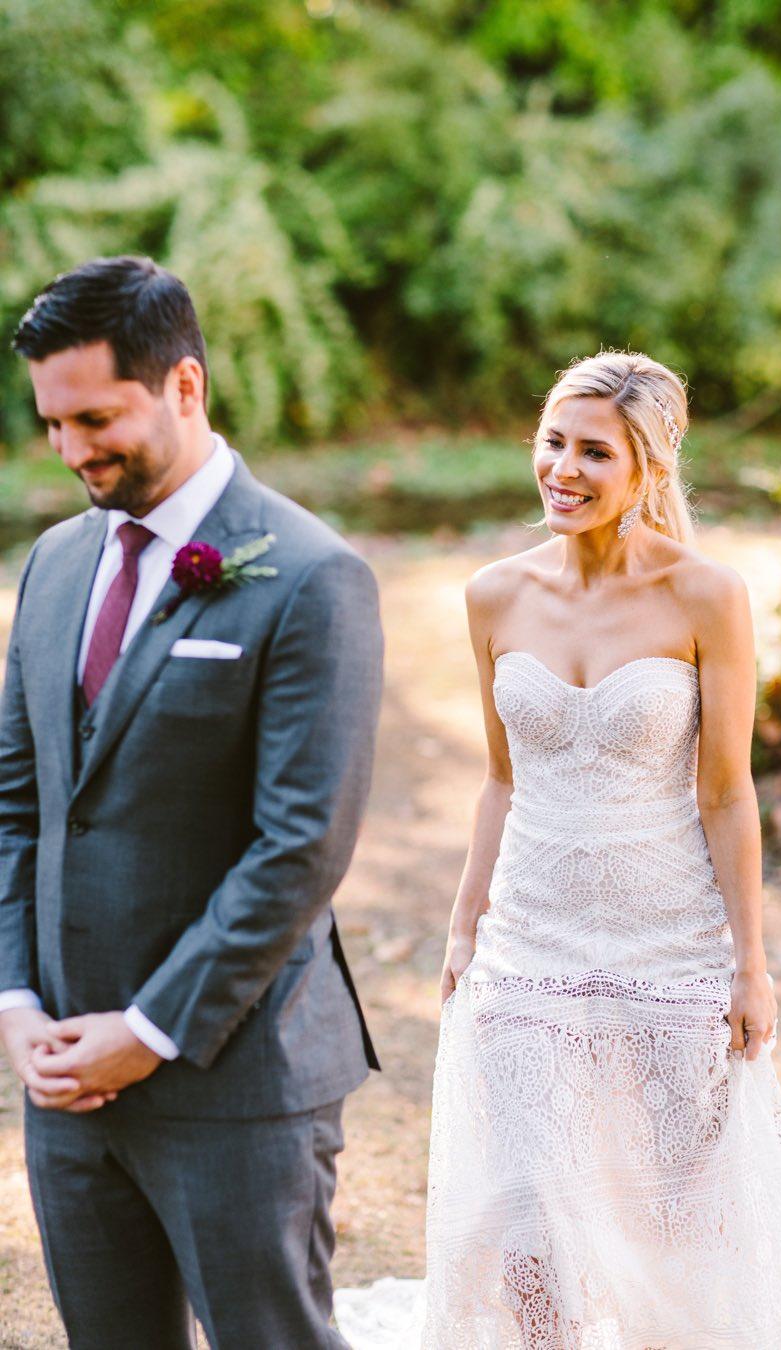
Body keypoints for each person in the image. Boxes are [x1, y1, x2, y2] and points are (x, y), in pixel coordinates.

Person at [336, 351, 781, 1348]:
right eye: (552, 442)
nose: (562, 469)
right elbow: (499, 776)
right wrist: (460, 926)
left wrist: (751, 963)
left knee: (679, 1219)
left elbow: (728, 794)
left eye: (593, 452)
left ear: (648, 467)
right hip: (530, 944)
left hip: (670, 945)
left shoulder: (708, 596)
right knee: (529, 1213)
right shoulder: (494, 594)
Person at [0, 255, 383, 1350]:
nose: (73, 451)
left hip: (238, 1083)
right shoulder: (56, 563)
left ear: (185, 385)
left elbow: (299, 849)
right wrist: (20, 1003)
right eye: (53, 425)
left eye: (97, 418)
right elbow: (17, 806)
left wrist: (151, 1030)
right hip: (67, 1082)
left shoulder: (312, 577)